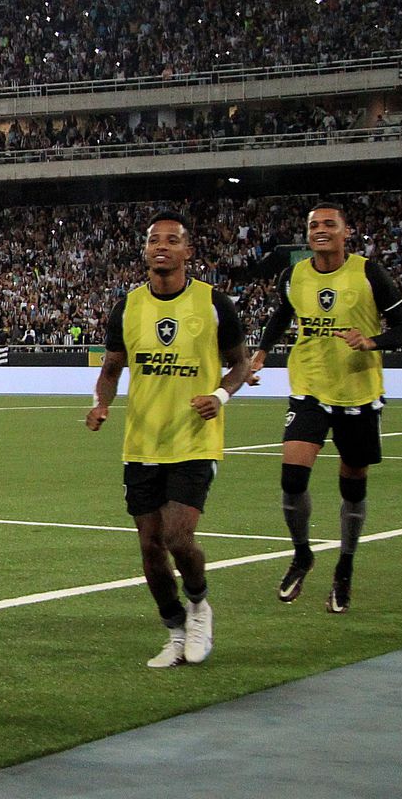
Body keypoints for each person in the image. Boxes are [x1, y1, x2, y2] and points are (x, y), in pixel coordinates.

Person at [87, 211, 251, 667]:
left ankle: (199, 606)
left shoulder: (213, 303)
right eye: (154, 240)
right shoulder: (128, 306)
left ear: (187, 251)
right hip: (142, 444)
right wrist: (101, 404)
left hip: (194, 441)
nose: (162, 246)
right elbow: (111, 368)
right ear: (145, 251)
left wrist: (220, 395)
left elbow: (241, 362)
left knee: (178, 537)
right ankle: (175, 630)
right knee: (150, 548)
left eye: (172, 240)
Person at [251, 201, 402, 613]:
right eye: (314, 225)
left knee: (353, 483)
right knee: (292, 478)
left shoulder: (369, 273)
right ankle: (302, 553)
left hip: (357, 393)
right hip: (309, 388)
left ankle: (345, 566)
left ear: (346, 232)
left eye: (329, 224)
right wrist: (262, 351)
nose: (320, 230)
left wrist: (371, 341)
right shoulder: (294, 275)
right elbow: (283, 314)